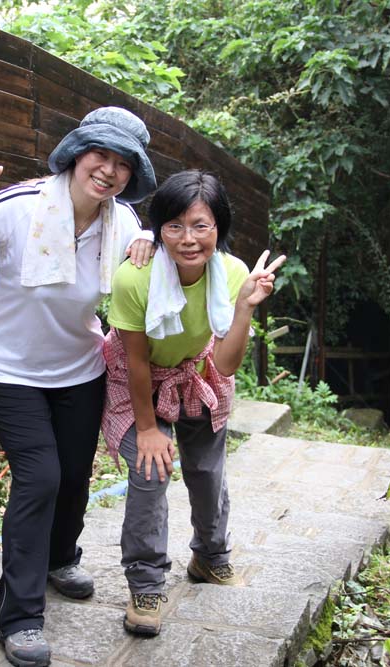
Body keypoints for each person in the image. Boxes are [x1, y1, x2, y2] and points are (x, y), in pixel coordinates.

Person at [0, 106, 157, 667]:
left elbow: (152, 258)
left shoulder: (124, 223)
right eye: (99, 155)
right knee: (40, 478)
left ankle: (60, 558)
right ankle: (20, 617)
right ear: (77, 154)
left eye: (122, 163)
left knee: (75, 476)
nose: (108, 170)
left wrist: (152, 238)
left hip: (81, 367)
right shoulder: (21, 205)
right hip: (11, 369)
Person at [101, 170, 284, 636]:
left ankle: (210, 556)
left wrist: (245, 307)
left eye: (201, 225)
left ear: (218, 227)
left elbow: (225, 364)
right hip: (137, 379)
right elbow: (136, 360)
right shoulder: (134, 278)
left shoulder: (235, 274)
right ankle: (145, 584)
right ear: (158, 228)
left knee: (206, 470)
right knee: (151, 472)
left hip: (197, 372)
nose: (188, 239)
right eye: (175, 226)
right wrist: (147, 430)